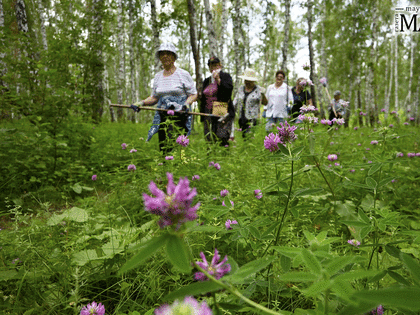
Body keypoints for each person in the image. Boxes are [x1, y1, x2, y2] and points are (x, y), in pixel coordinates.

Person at [131, 42, 198, 153]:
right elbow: (154, 97)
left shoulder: (183, 74)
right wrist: (141, 103)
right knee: (163, 145)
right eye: (162, 54)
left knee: (176, 145)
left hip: (179, 114)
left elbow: (193, 94)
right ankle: (166, 166)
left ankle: (178, 166)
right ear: (160, 58)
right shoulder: (158, 77)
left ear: (174, 57)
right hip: (162, 115)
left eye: (168, 54)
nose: (165, 56)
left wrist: (187, 104)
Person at [200, 57, 235, 146]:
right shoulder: (206, 81)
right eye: (211, 65)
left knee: (221, 136)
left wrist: (219, 80)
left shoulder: (226, 76)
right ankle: (211, 158)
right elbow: (203, 98)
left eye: (216, 65)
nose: (214, 67)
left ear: (220, 65)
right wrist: (202, 114)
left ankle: (223, 157)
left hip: (221, 109)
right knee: (209, 137)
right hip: (208, 111)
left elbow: (228, 91)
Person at [233, 68, 267, 138]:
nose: (247, 82)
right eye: (246, 80)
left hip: (252, 119)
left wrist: (263, 94)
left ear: (253, 81)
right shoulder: (241, 88)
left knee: (251, 138)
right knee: (244, 138)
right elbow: (235, 101)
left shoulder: (258, 89)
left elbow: (265, 103)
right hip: (241, 118)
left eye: (249, 81)